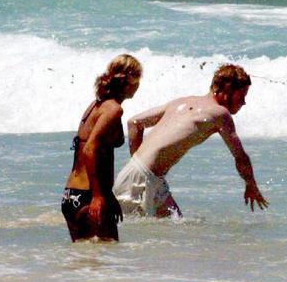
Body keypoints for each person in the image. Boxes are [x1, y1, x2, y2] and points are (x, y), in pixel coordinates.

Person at [113, 63, 268, 217]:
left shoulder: (182, 102)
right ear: (228, 89)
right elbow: (240, 157)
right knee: (127, 237)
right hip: (142, 180)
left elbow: (134, 123)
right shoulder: (220, 114)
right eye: (242, 96)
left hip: (140, 175)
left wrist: (138, 163)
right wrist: (251, 185)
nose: (244, 102)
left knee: (174, 228)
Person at [61, 54, 142, 242]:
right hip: (88, 196)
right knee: (107, 262)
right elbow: (90, 149)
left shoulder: (96, 106)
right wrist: (98, 196)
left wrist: (108, 194)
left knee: (86, 265)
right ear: (132, 81)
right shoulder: (113, 109)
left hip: (71, 196)